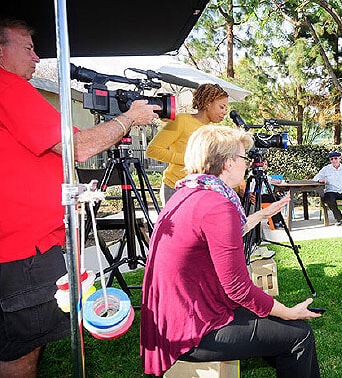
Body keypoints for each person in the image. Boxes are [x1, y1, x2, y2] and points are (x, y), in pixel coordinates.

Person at [0, 18, 160, 378]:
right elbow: (80, 146)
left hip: (16, 248)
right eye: (27, 47)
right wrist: (129, 118)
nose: (36, 57)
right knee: (21, 349)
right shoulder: (8, 87)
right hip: (24, 252)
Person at [140, 126, 321, 377]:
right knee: (299, 335)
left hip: (174, 319)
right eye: (243, 158)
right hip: (192, 329)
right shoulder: (218, 205)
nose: (247, 164)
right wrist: (289, 312)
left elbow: (218, 238)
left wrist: (261, 215)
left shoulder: (189, 192)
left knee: (281, 330)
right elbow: (238, 288)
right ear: (227, 163)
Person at [146, 83, 229, 204]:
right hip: (175, 188)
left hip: (200, 191)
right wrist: (190, 161)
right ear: (208, 103)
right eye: (222, 107)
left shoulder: (213, 131)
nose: (225, 112)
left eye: (226, 109)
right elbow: (153, 150)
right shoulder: (181, 121)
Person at [313, 151, 342, 225]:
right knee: (328, 199)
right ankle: (339, 217)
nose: (333, 160)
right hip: (331, 191)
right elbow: (315, 178)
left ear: (340, 159)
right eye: (331, 159)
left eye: (335, 158)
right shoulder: (326, 169)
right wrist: (320, 180)